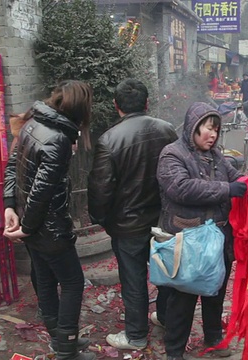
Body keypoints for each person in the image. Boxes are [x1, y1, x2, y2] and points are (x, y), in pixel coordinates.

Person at [3, 80, 96, 360]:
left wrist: (10, 207)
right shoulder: (58, 139)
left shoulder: (32, 122)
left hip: (29, 222)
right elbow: (41, 193)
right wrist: (27, 227)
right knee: (72, 282)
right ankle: (66, 347)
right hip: (48, 228)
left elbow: (13, 166)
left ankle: (60, 339)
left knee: (43, 277)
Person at [87, 79, 178, 350]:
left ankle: (136, 335)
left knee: (134, 279)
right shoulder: (167, 130)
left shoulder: (110, 139)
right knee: (166, 274)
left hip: (127, 225)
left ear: (116, 106)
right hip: (163, 220)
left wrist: (101, 218)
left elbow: (100, 188)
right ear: (147, 103)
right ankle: (165, 318)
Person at [156, 102, 244, 360]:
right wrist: (227, 190)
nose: (213, 135)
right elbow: (181, 188)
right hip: (190, 239)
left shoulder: (216, 155)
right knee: (183, 298)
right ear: (193, 127)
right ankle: (174, 350)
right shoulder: (172, 154)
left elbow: (232, 175)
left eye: (216, 130)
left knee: (215, 290)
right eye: (208, 129)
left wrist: (247, 184)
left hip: (218, 237)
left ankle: (214, 337)